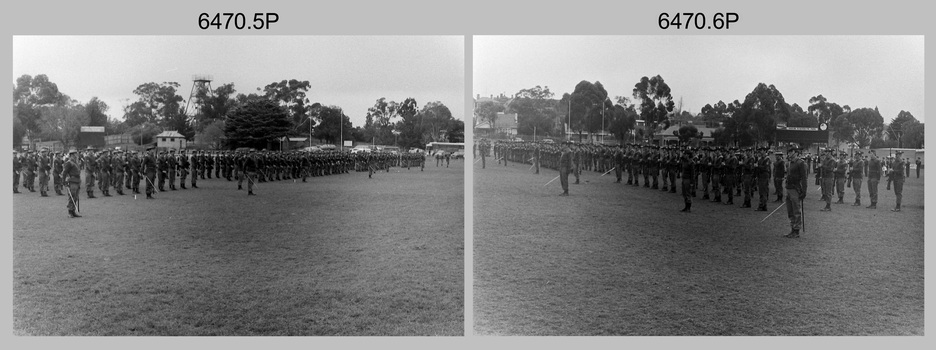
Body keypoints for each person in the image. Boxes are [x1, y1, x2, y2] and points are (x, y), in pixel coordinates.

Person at [784, 146, 807, 238]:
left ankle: (796, 230)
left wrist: (804, 191)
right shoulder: (789, 163)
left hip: (795, 188)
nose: (789, 153)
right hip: (789, 188)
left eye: (791, 151)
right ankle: (792, 228)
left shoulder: (800, 163)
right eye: (789, 151)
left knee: (796, 210)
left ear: (796, 152)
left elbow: (804, 178)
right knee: (790, 210)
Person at [62, 148, 82, 218]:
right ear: (71, 155)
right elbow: (64, 173)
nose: (76, 155)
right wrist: (64, 181)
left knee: (75, 197)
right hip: (72, 181)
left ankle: (73, 211)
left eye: (76, 154)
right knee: (72, 197)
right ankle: (70, 211)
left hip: (77, 180)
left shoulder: (75, 162)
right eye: (74, 154)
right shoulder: (69, 163)